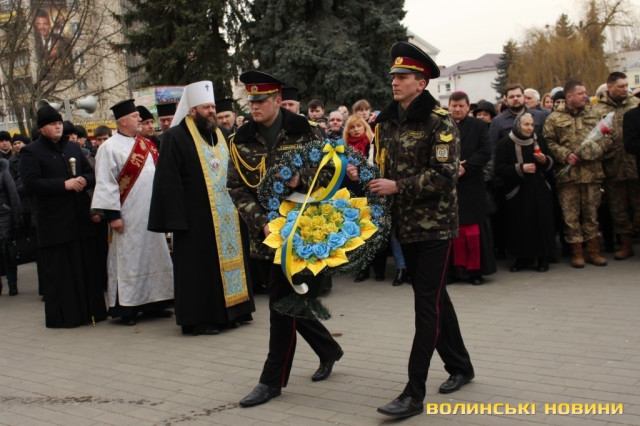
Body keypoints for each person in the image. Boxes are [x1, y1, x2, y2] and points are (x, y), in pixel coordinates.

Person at [352, 41, 474, 419]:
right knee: (435, 299)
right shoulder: (386, 121)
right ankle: (461, 366)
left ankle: (413, 392)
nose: (395, 82)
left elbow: (445, 175)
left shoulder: (440, 121)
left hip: (435, 226)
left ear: (421, 83)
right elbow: (383, 168)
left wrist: (397, 187)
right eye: (393, 76)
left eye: (403, 76)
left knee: (426, 305)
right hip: (405, 226)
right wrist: (366, 175)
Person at [227, 71, 343, 408]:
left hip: (301, 232)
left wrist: (299, 178)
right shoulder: (241, 140)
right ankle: (328, 349)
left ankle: (271, 381)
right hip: (265, 235)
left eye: (261, 101)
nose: (255, 107)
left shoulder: (305, 131)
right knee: (288, 301)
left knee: (280, 304)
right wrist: (262, 224)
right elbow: (236, 188)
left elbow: (329, 170)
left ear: (278, 101)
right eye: (251, 101)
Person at [149, 81, 254, 335]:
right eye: (206, 107)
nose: (211, 111)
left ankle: (235, 311)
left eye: (213, 107)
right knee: (200, 271)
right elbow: (167, 181)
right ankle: (201, 320)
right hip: (195, 218)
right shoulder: (174, 137)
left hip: (228, 213)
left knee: (230, 264)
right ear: (192, 110)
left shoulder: (223, 135)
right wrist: (175, 220)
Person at [19, 105, 107, 327]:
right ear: (42, 128)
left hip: (79, 219)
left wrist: (84, 180)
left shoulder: (73, 147)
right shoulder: (31, 151)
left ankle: (92, 312)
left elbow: (91, 174)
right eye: (53, 124)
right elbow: (30, 183)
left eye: (59, 123)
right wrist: (63, 185)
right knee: (63, 272)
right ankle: (67, 317)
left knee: (86, 268)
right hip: (55, 223)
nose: (58, 127)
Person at [91, 99, 174, 326]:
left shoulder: (147, 144)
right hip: (127, 216)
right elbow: (106, 183)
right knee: (129, 260)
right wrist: (113, 216)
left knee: (155, 256)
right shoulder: (109, 148)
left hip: (152, 213)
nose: (140, 119)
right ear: (122, 121)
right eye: (135, 116)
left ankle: (156, 303)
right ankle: (128, 308)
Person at [545, 80, 610, 268]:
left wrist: (590, 151)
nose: (585, 96)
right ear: (569, 96)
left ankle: (594, 252)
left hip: (591, 174)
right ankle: (577, 253)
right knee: (570, 217)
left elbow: (607, 138)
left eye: (585, 92)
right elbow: (549, 142)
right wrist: (565, 155)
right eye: (580, 93)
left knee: (591, 214)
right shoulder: (554, 118)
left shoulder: (594, 113)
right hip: (568, 177)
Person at [495, 113, 556, 271]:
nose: (530, 128)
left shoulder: (539, 140)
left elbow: (551, 163)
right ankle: (522, 259)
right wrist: (521, 168)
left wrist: (544, 160)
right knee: (520, 225)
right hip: (517, 191)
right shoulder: (505, 143)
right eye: (526, 124)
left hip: (540, 189)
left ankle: (543, 258)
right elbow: (499, 169)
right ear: (517, 125)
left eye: (532, 125)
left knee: (541, 223)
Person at [591, 72, 640, 260]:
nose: (625, 89)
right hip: (613, 167)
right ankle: (626, 245)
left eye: (626, 85)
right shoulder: (597, 110)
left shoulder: (634, 104)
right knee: (618, 210)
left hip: (635, 165)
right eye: (621, 86)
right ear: (609, 87)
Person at [448, 91, 495, 284]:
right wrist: (450, 166)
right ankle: (454, 272)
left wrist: (465, 167)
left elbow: (485, 152)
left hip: (472, 184)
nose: (458, 109)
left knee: (473, 231)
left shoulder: (479, 126)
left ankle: (475, 272)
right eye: (454, 106)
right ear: (449, 107)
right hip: (449, 186)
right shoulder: (441, 125)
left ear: (468, 107)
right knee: (452, 231)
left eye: (461, 106)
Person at [0, 157, 20, 296]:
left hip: (4, 215)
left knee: (8, 253)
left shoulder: (3, 169)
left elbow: (13, 194)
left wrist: (16, 217)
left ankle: (12, 283)